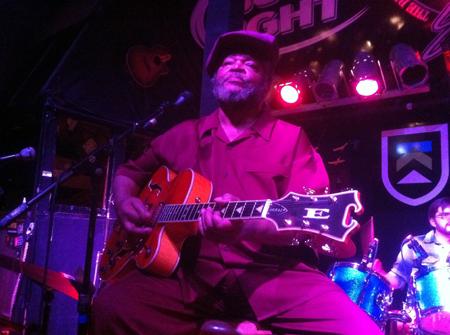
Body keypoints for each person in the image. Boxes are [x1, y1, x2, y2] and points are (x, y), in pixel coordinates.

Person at [89, 30, 382, 335]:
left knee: (362, 330)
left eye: (251, 65)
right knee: (110, 308)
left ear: (267, 84)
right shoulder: (183, 134)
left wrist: (243, 229)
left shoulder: (291, 139)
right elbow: (128, 173)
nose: (237, 67)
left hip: (274, 277)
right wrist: (125, 203)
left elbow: (302, 225)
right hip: (187, 277)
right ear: (216, 79)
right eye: (228, 63)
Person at [372, 197, 450, 334]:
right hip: (426, 321)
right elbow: (397, 278)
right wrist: (378, 274)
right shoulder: (414, 246)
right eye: (444, 215)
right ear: (433, 221)